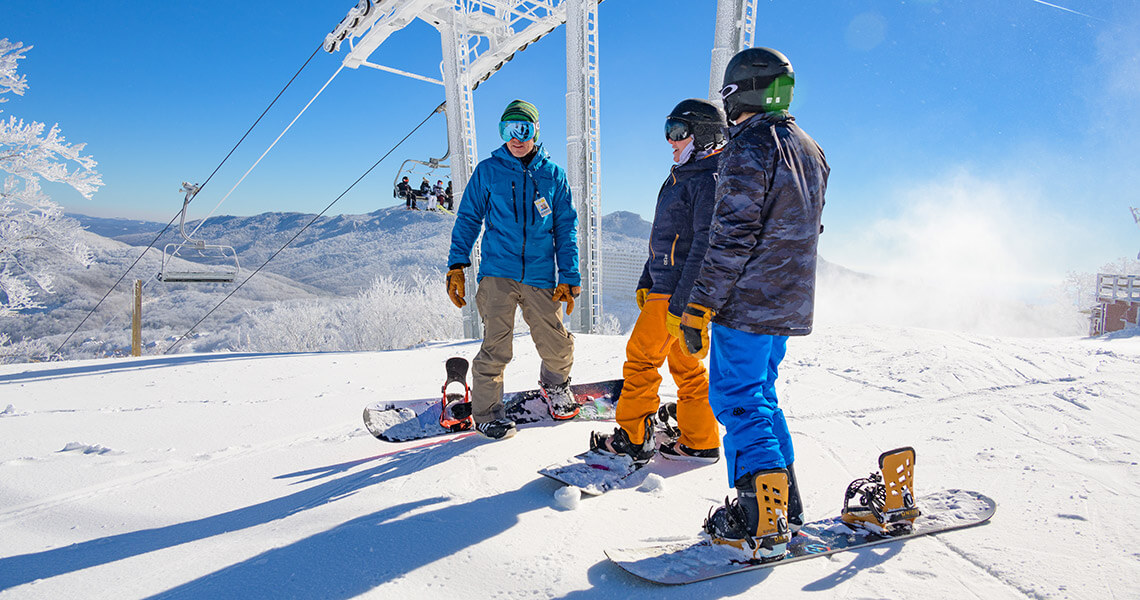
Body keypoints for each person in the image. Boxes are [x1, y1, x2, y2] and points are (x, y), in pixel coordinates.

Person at [678, 47, 829, 562]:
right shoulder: (809, 148)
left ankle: (757, 515)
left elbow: (731, 237)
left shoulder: (750, 146)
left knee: (737, 397)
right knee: (761, 396)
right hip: (788, 301)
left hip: (749, 302)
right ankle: (784, 503)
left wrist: (699, 306)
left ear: (738, 92)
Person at [589, 98, 726, 466]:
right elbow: (663, 239)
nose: (671, 140)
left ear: (705, 135)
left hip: (677, 295)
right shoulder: (685, 176)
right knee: (687, 368)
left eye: (679, 132)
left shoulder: (708, 180)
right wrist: (646, 277)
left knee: (640, 360)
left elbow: (703, 247)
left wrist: (680, 305)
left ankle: (633, 437)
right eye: (668, 131)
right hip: (670, 290)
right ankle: (700, 439)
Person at [445, 99, 582, 440]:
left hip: (539, 275)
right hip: (497, 272)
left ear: (535, 131)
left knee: (557, 345)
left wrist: (569, 276)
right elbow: (467, 219)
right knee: (496, 347)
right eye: (508, 130)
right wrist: (457, 264)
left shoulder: (553, 176)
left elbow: (566, 228)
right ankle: (488, 414)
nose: (515, 138)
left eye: (523, 129)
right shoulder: (488, 171)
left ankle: (555, 387)